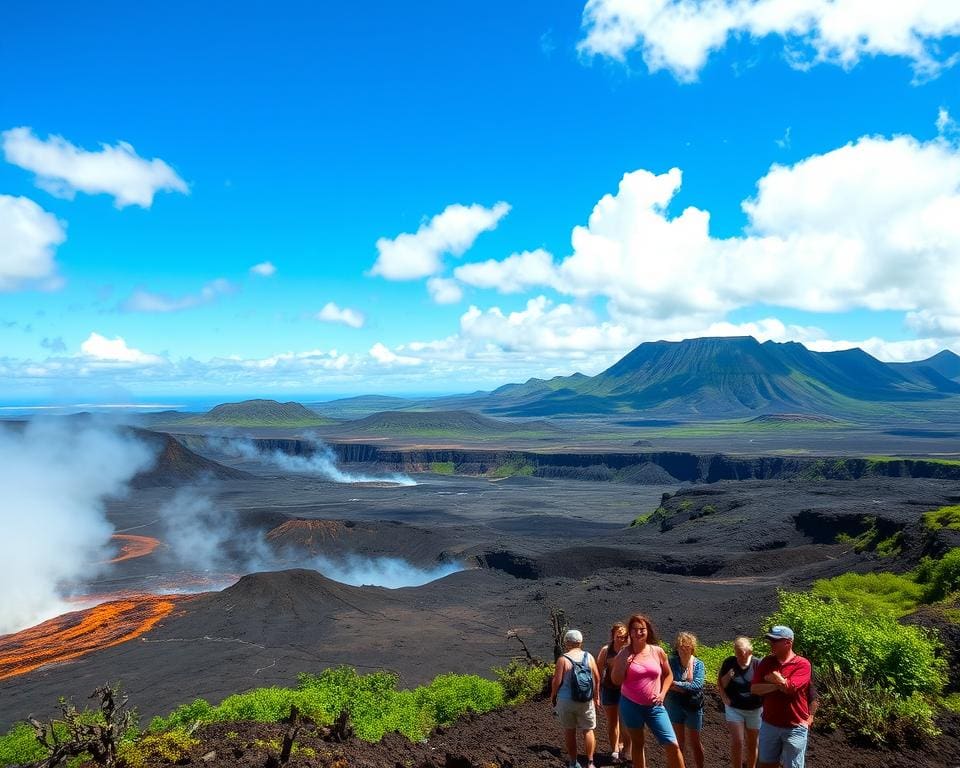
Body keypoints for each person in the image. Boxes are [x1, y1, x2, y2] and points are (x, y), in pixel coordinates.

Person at [611, 614, 686, 768]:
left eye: (642, 629)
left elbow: (669, 675)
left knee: (672, 744)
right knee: (638, 745)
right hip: (631, 705)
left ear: (648, 631)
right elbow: (616, 681)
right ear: (630, 632)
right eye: (635, 630)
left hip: (655, 706)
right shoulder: (624, 654)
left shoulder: (657, 651)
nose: (639, 633)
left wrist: (663, 693)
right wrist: (623, 663)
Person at [750, 625, 811, 768]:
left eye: (775, 641)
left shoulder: (802, 664)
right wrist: (778, 684)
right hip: (769, 724)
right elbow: (755, 689)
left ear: (788, 643)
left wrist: (775, 678)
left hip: (794, 727)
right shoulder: (767, 662)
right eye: (770, 640)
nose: (771, 644)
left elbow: (790, 689)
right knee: (766, 764)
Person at [551, 629, 602, 768]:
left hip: (566, 700)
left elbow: (557, 681)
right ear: (580, 642)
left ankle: (573, 763)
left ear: (567, 642)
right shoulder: (589, 657)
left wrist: (553, 696)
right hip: (586, 699)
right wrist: (596, 697)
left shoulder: (563, 659)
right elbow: (597, 678)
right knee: (588, 729)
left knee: (569, 730)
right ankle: (590, 762)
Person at [718, 636, 763, 768]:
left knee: (753, 742)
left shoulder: (758, 664)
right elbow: (721, 683)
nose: (739, 656)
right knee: (737, 740)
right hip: (734, 707)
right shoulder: (730, 662)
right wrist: (723, 696)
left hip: (754, 709)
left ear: (749, 651)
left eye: (742, 653)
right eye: (737, 653)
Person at [596, 622, 634, 764]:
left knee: (626, 721)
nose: (622, 640)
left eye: (625, 637)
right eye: (619, 636)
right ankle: (615, 750)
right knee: (612, 721)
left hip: (627, 691)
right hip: (609, 689)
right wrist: (597, 692)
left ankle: (626, 748)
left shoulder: (632, 651)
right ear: (613, 636)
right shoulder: (606, 651)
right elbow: (598, 672)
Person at [665, 632, 705, 768]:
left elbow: (697, 686)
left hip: (692, 706)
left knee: (695, 742)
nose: (683, 649)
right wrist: (683, 686)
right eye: (681, 646)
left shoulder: (698, 665)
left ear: (692, 648)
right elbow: (665, 680)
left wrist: (676, 684)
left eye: (686, 646)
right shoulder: (671, 662)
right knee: (677, 742)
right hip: (674, 704)